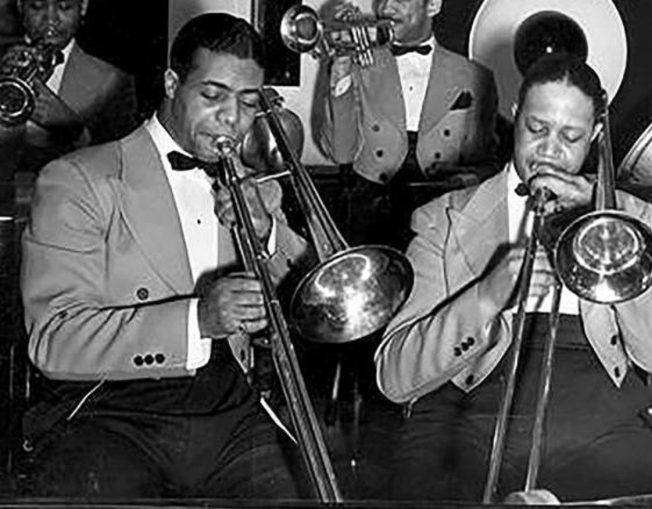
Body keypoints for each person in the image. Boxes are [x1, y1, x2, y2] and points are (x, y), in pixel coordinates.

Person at [375, 54, 652, 502]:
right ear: (514, 114)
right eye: (536, 129)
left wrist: (610, 229)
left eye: (570, 137)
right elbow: (395, 378)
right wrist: (485, 298)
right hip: (470, 409)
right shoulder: (443, 220)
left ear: (596, 135)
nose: (549, 150)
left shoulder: (630, 217)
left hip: (598, 409)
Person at [20, 13, 310, 499]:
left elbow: (312, 296)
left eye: (247, 102)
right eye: (212, 96)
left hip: (228, 403)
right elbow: (53, 340)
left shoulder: (253, 187)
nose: (231, 120)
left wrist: (266, 234)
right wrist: (199, 319)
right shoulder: (78, 180)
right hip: (110, 406)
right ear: (172, 83)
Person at [315, 0, 498, 249]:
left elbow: (484, 163)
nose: (386, 8)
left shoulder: (476, 77)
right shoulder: (358, 66)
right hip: (368, 215)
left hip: (440, 212)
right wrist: (341, 68)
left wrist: (459, 183)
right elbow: (341, 152)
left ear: (432, 5)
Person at [0, 0, 137, 182]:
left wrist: (73, 129)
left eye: (64, 7)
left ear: (83, 7)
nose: (50, 20)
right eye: (37, 7)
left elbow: (124, 168)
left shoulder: (113, 81)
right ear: (20, 7)